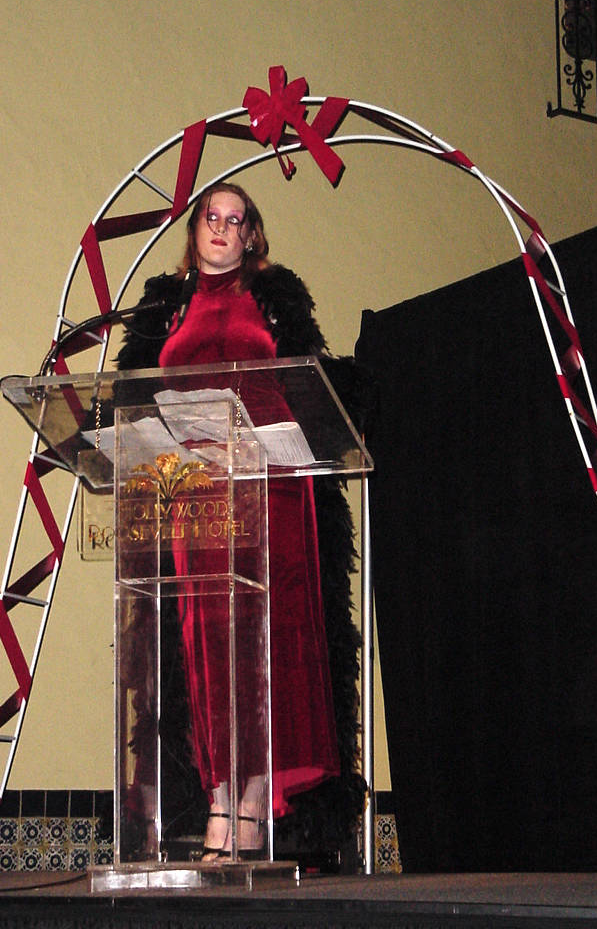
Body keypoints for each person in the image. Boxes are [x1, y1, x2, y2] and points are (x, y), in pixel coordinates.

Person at [116, 182, 364, 862]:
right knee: (206, 651)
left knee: (262, 645)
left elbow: (312, 385)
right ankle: (219, 798)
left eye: (237, 219)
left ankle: (254, 803)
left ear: (251, 235)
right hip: (195, 493)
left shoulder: (273, 297)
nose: (223, 228)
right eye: (212, 217)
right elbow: (137, 393)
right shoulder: (166, 306)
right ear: (195, 229)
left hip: (267, 486)